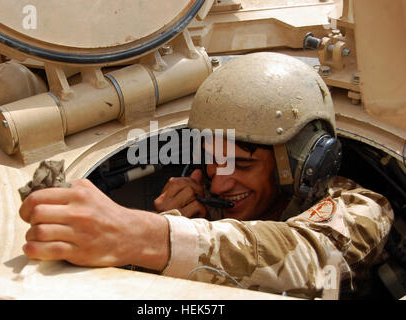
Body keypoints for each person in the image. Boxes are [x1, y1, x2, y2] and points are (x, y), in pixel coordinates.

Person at [19, 52, 393, 298]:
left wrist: (147, 235)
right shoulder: (206, 210)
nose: (220, 181)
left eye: (242, 165)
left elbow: (308, 257)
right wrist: (170, 222)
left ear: (304, 164)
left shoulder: (361, 210)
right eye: (213, 160)